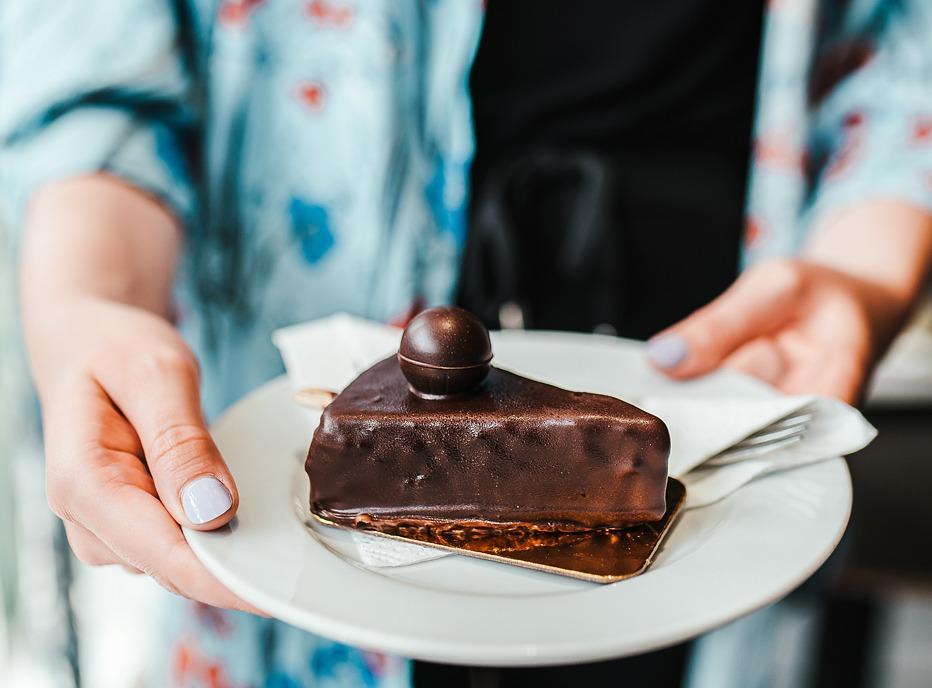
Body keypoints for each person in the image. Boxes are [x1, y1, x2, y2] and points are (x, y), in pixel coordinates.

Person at [2, 0, 931, 686]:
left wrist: (865, 266)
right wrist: (92, 294)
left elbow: (904, 48)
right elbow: (93, 69)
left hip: (726, 349)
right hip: (290, 438)